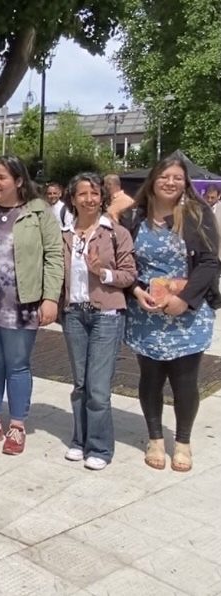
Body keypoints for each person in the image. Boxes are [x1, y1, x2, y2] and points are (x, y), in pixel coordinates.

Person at [122, 157, 219, 472]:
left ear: (185, 182)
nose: (171, 182)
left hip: (187, 314)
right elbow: (124, 263)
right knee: (150, 377)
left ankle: (183, 442)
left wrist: (185, 300)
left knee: (185, 380)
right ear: (153, 179)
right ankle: (154, 438)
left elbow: (209, 262)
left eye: (178, 177)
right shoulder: (134, 216)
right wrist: (136, 289)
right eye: (164, 176)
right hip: (146, 312)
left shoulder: (197, 213)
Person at [0, 155, 63, 455]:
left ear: (19, 181)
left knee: (17, 365)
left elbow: (54, 255)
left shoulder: (39, 212)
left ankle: (17, 426)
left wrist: (50, 298)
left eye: (2, 177)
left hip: (23, 302)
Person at [60, 173, 136, 470]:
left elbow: (129, 274)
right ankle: (80, 440)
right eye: (82, 194)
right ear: (73, 198)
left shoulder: (116, 233)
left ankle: (100, 448)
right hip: (74, 314)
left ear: (102, 197)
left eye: (94, 193)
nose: (88, 199)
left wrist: (101, 272)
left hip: (106, 314)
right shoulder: (63, 233)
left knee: (99, 387)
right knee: (80, 383)